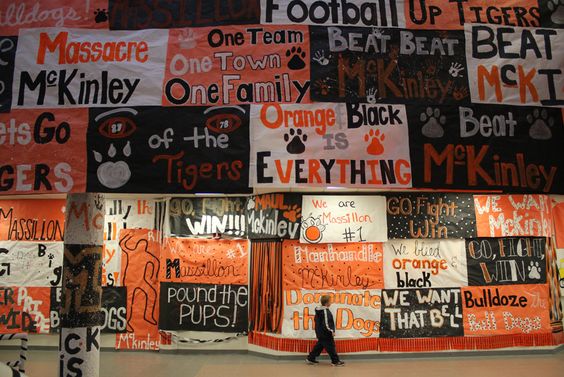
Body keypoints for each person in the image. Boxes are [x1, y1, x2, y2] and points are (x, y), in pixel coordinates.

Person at [306, 295, 345, 366]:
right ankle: (335, 361)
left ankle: (310, 358)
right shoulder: (325, 311)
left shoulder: (320, 310)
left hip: (320, 333)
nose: (331, 302)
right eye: (330, 301)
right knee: (331, 347)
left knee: (319, 346)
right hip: (325, 333)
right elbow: (326, 324)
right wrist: (331, 331)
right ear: (327, 303)